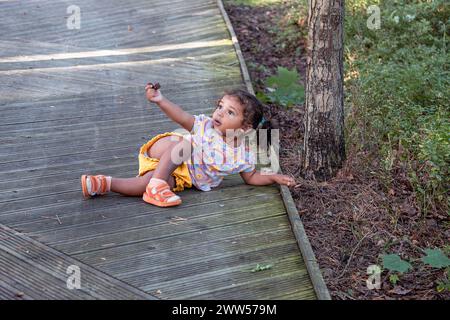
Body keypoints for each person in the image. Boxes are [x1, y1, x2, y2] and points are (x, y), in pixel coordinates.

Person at [81, 83, 296, 207]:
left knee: (143, 185)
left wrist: (274, 177)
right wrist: (160, 100)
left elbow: (251, 177)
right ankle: (157, 185)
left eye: (230, 112)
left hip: (184, 176)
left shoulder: (243, 155)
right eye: (220, 106)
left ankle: (103, 183)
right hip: (167, 149)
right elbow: (181, 117)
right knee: (186, 143)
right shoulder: (205, 126)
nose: (219, 112)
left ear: (245, 128)